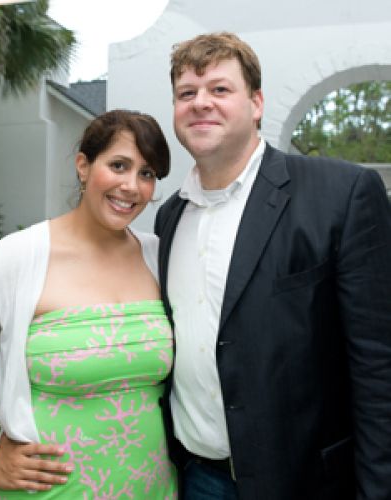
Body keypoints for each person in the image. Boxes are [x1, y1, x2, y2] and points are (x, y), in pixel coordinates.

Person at [0, 109, 178, 498]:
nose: (131, 186)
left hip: (154, 489)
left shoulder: (159, 256)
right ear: (83, 166)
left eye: (147, 173)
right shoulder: (17, 259)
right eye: (118, 165)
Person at [155, 31, 391, 500]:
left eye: (220, 89)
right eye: (187, 93)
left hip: (307, 482)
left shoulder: (342, 194)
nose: (201, 103)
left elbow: (378, 364)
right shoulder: (170, 218)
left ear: (256, 104)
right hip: (196, 478)